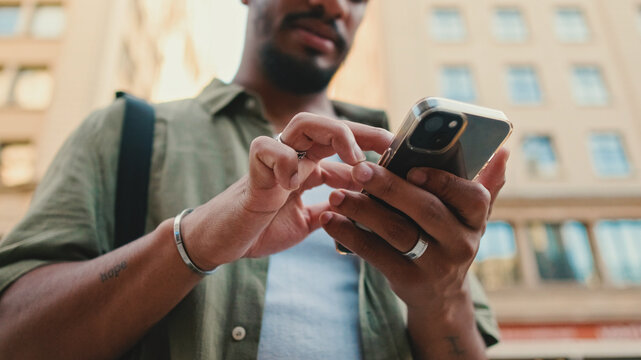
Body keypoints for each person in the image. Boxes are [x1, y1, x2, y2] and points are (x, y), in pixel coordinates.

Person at [0, 0, 508, 359]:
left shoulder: (402, 174)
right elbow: (14, 337)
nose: (333, 5)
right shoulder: (127, 132)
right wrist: (196, 238)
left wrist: (443, 298)